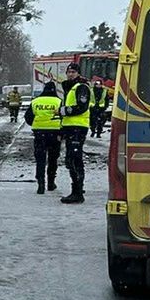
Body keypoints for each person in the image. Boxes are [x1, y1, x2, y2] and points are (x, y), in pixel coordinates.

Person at [59, 63, 91, 203]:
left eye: (73, 72)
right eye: (69, 72)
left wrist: (64, 111)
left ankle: (77, 192)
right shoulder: (70, 88)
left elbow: (82, 107)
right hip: (70, 127)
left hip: (78, 127)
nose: (70, 74)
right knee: (71, 159)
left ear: (78, 73)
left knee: (74, 159)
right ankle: (77, 189)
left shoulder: (81, 87)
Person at [23, 81, 61, 194]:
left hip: (39, 133)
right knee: (53, 159)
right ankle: (51, 183)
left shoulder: (36, 101)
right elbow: (64, 117)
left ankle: (40, 184)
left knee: (40, 159)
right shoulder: (59, 101)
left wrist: (36, 124)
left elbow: (28, 117)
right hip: (55, 133)